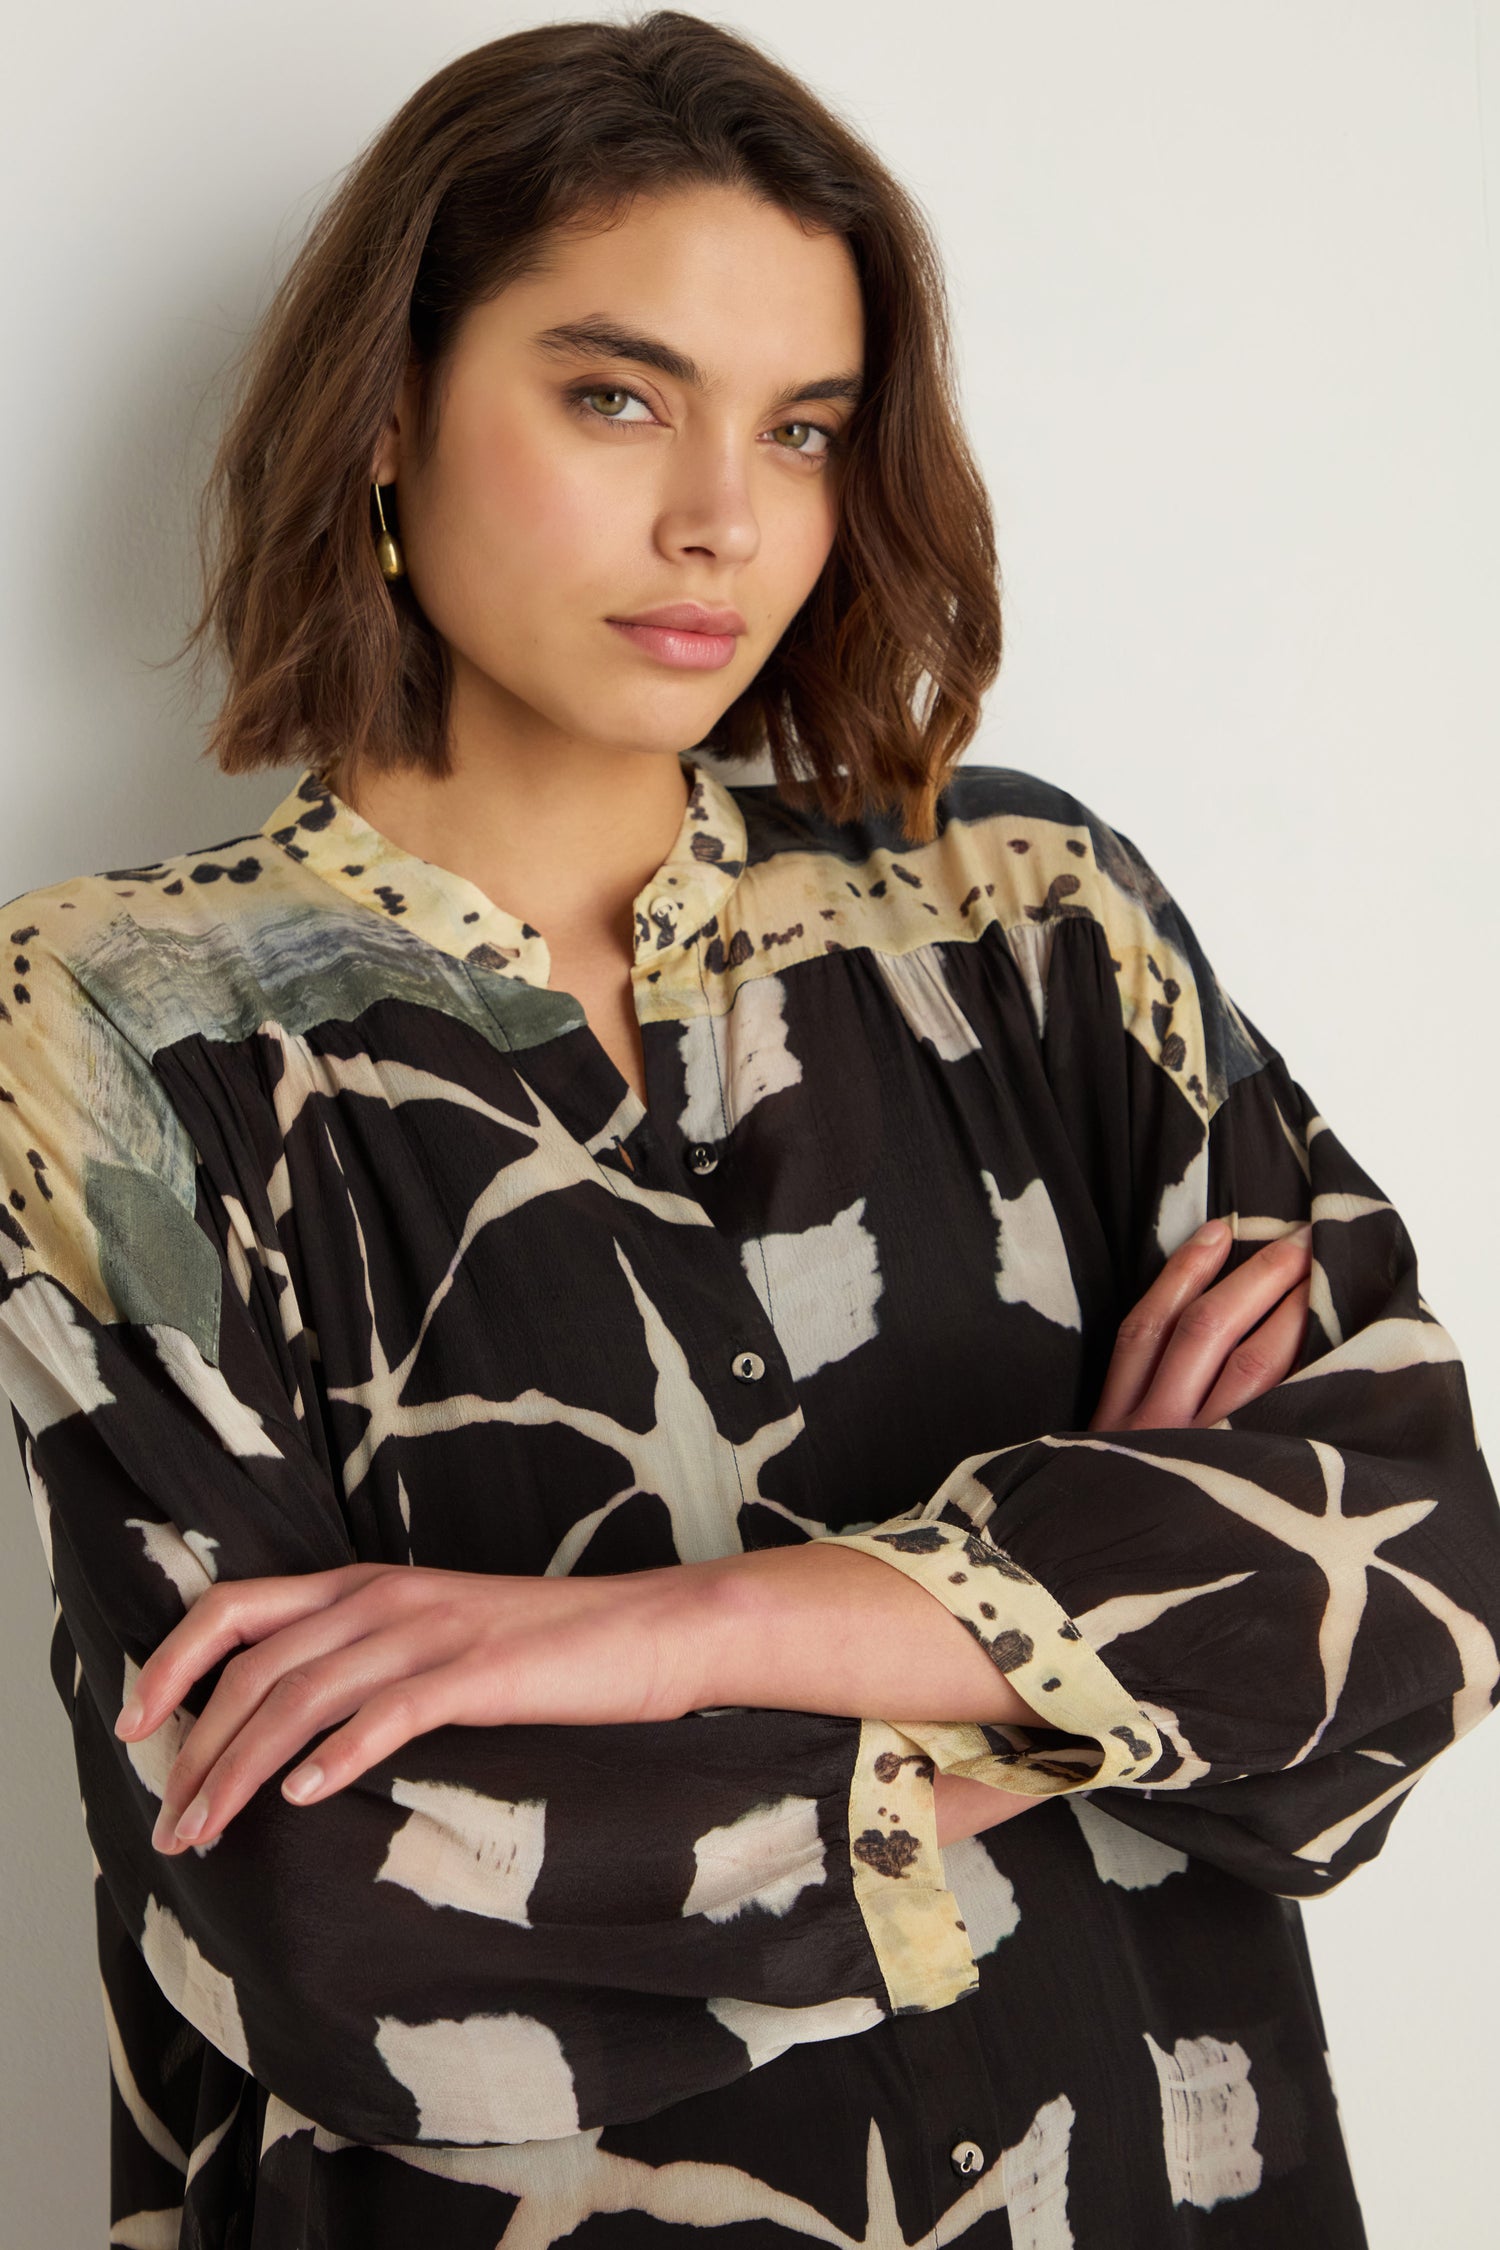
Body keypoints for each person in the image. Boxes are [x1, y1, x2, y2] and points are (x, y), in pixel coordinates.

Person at [2, 12, 1495, 2246]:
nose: (723, 517)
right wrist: (1086, 1669)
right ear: (390, 413)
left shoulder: (1025, 912)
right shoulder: (112, 1022)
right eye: (615, 395)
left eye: (803, 429)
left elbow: (1404, 1587)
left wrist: (644, 1643)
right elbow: (316, 1899)